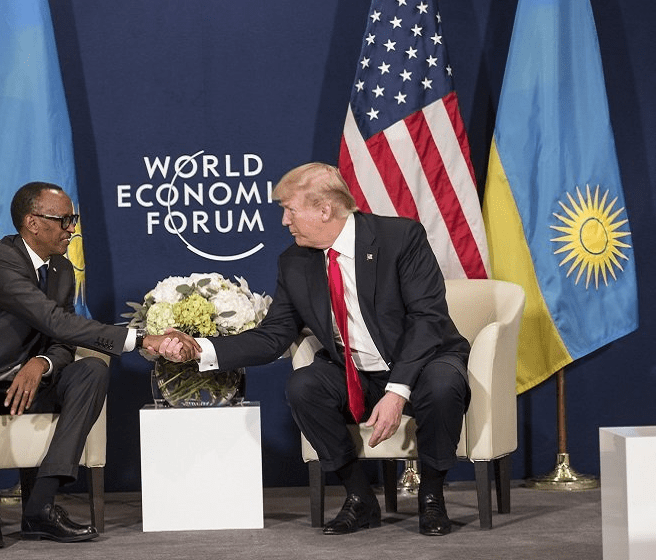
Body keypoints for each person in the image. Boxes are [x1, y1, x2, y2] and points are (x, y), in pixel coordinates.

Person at [161, 162, 470, 536]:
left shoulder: (399, 238)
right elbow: (273, 337)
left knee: (442, 384)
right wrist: (200, 349)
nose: (284, 221)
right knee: (304, 386)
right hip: (355, 373)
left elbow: (427, 319)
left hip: (422, 363)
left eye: (290, 210)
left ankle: (432, 496)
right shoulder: (294, 262)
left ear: (325, 210)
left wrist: (397, 390)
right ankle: (359, 496)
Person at [0, 181, 196, 550]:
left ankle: (40, 506)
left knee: (92, 370)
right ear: (32, 223)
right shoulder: (0, 263)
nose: (72, 228)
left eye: (73, 220)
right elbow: (55, 321)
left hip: (29, 384)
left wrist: (41, 363)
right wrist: (141, 339)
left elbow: (61, 341)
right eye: (64, 220)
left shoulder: (60, 269)